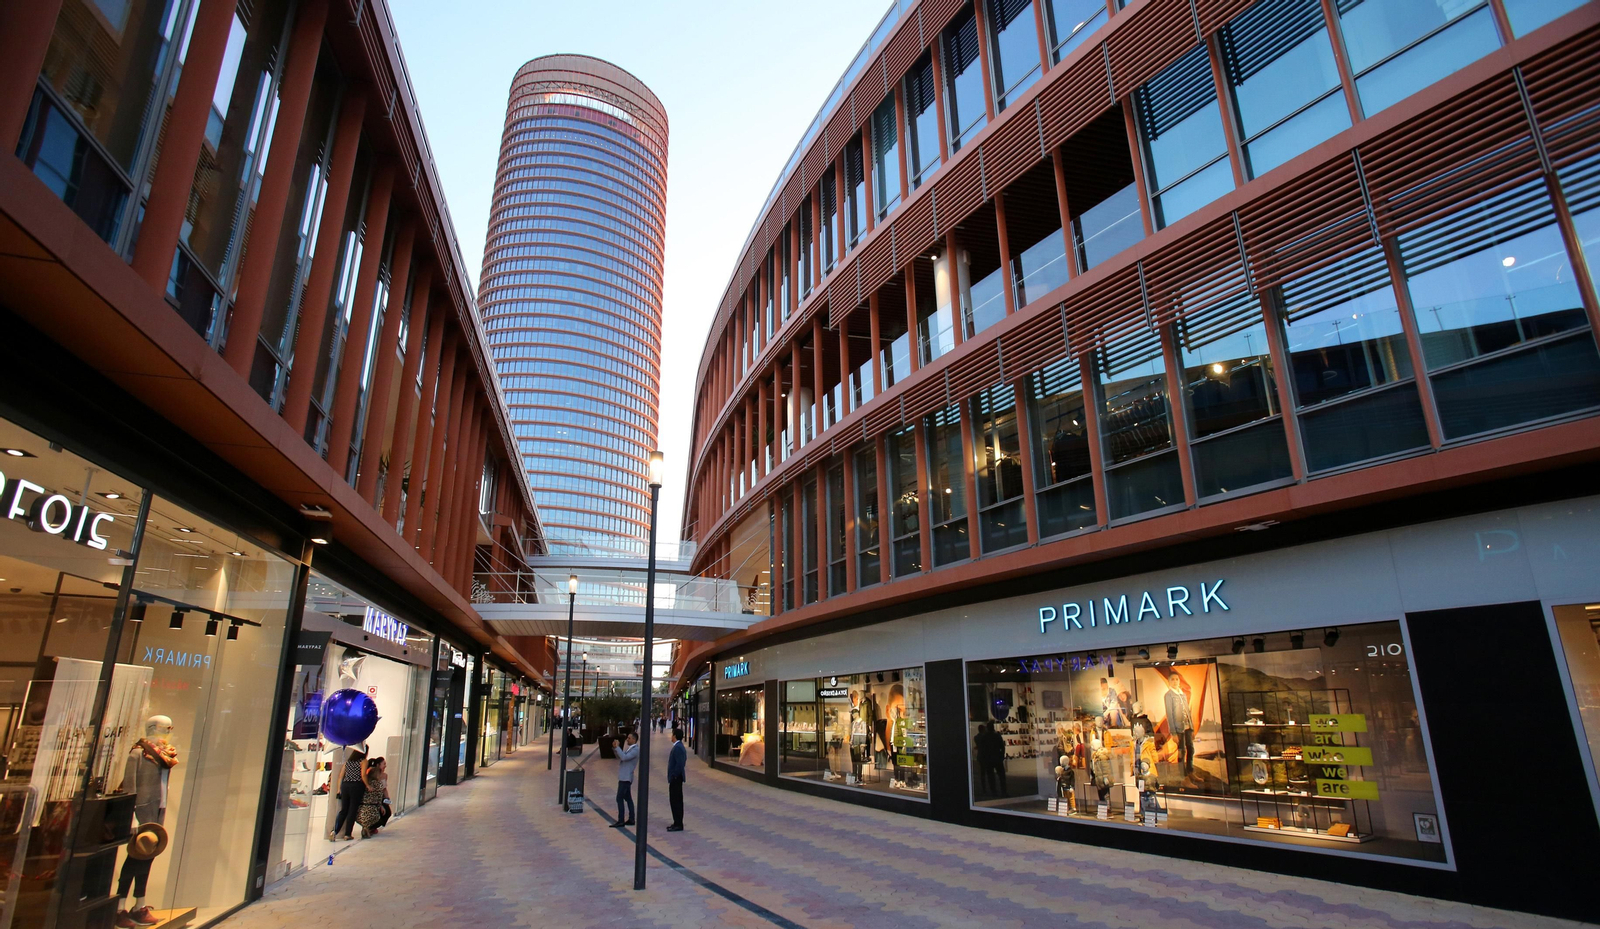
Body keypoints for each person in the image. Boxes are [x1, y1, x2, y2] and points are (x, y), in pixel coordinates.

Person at [329, 745, 367, 841]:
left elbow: (340, 776)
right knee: (352, 810)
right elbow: (363, 775)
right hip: (356, 786)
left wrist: (339, 789)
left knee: (343, 810)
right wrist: (368, 785)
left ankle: (334, 831)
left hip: (345, 786)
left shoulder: (348, 762)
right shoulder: (363, 761)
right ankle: (347, 834)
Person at [357, 756, 390, 837]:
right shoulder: (373, 781)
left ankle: (369, 827)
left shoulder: (384, 776)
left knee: (388, 812)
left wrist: (388, 799)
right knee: (383, 812)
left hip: (378, 799)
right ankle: (370, 827)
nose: (385, 766)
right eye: (384, 764)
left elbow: (384, 789)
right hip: (375, 801)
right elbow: (379, 796)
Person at [666, 726, 687, 831]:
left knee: (676, 801)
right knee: (675, 800)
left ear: (675, 736)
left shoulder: (678, 747)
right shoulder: (678, 746)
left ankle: (678, 823)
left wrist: (674, 775)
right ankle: (676, 822)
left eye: (672, 734)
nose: (671, 736)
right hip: (676, 778)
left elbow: (680, 763)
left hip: (676, 779)